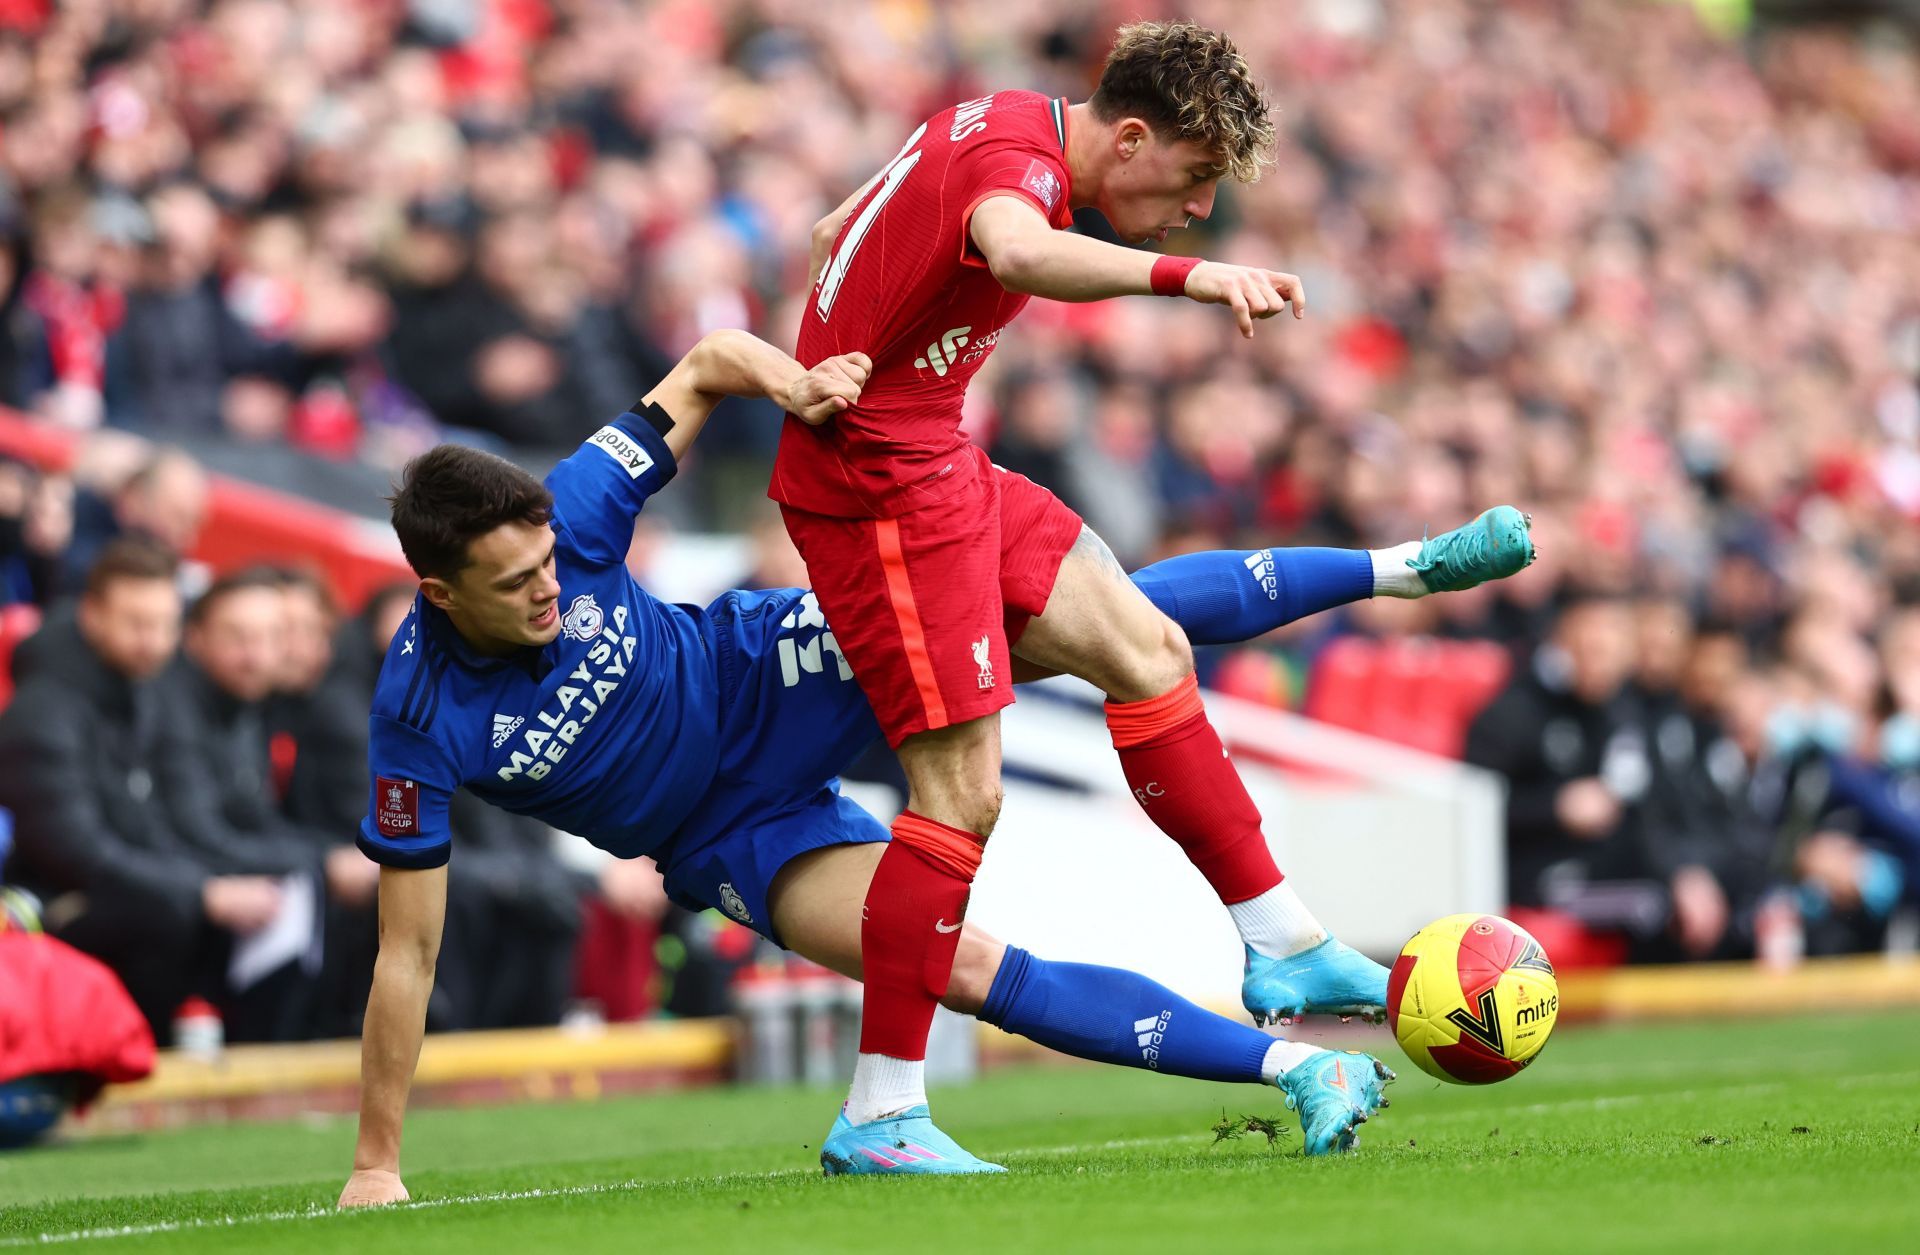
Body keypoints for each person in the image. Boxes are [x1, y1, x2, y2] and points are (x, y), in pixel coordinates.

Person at [337, 328, 1536, 1206]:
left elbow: (705, 363)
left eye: (550, 560)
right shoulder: (417, 715)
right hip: (721, 837)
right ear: (438, 592)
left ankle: (1403, 567)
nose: (550, 584)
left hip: (767, 670)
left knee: (1059, 625)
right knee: (953, 964)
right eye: (516, 584)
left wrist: (794, 384)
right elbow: (410, 949)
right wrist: (377, 1163)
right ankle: (1301, 1069)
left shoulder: (576, 509)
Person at [771, 19, 1534, 1167]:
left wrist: (854, 293)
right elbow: (1017, 249)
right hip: (871, 489)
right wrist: (1191, 278)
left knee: (1147, 644)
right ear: (1128, 139)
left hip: (934, 460)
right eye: (1193, 182)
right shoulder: (1016, 166)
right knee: (960, 794)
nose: (1199, 212)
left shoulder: (1004, 113)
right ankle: (882, 1111)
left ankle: (1281, 942)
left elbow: (845, 218)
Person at [0, 540, 288, 1041]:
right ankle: (135, 1051)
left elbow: (161, 827)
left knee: (240, 893)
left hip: (117, 885)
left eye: (163, 624)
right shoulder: (44, 709)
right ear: (92, 616)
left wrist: (212, 882)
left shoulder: (143, 694)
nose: (152, 641)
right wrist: (199, 892)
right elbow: (72, 850)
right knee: (175, 911)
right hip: (53, 904)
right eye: (136, 623)